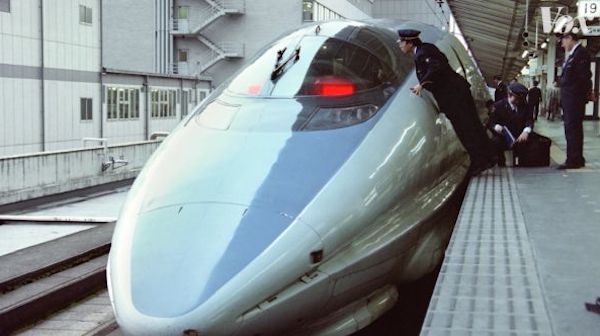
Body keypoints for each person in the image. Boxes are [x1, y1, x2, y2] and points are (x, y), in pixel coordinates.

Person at [397, 29, 495, 176]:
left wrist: (421, 84)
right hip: (455, 93)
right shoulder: (424, 49)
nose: (399, 45)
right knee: (472, 125)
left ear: (409, 42)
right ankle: (488, 157)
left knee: (465, 128)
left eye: (401, 42)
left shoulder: (423, 52)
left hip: (453, 95)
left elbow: (436, 66)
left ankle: (480, 161)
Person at [558, 31, 592, 169]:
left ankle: (573, 160)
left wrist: (581, 96)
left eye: (563, 41)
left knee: (572, 129)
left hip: (574, 99)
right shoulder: (573, 54)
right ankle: (575, 158)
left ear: (570, 38)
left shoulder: (580, 53)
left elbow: (584, 77)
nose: (562, 44)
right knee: (572, 129)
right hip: (570, 99)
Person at [489, 83, 534, 166]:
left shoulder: (525, 106)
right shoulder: (498, 106)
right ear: (509, 95)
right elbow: (491, 123)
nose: (519, 101)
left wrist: (526, 131)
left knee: (532, 142)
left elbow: (530, 120)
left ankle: (523, 164)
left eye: (522, 99)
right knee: (495, 142)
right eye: (517, 99)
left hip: (520, 136)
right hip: (504, 137)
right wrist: (496, 127)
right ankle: (501, 163)